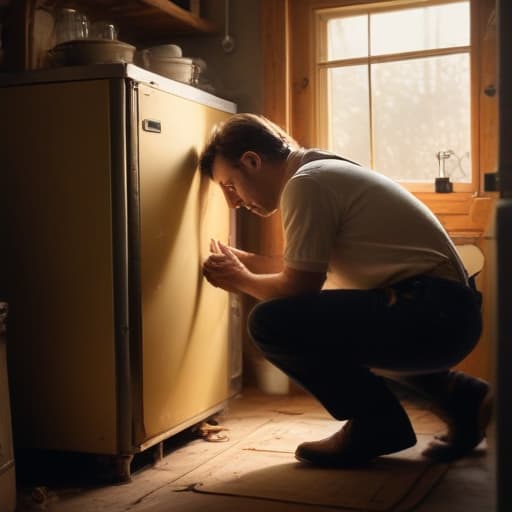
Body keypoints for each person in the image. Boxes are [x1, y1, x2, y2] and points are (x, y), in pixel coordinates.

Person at [199, 113, 492, 467]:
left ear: (251, 161)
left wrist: (240, 280)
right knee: (340, 323)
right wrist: (247, 262)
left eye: (230, 186)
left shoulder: (306, 184)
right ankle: (461, 398)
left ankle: (375, 423)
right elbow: (302, 266)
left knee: (270, 322)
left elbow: (298, 287)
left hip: (431, 312)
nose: (232, 203)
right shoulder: (320, 170)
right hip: (446, 312)